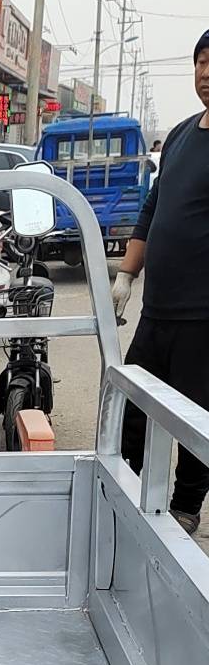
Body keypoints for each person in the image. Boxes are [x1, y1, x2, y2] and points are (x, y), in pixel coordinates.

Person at [111, 33, 209, 534]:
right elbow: (153, 207)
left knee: (195, 418)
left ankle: (186, 506)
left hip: (203, 317)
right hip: (157, 310)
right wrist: (126, 275)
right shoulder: (180, 135)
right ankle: (126, 488)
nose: (206, 73)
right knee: (133, 407)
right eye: (201, 62)